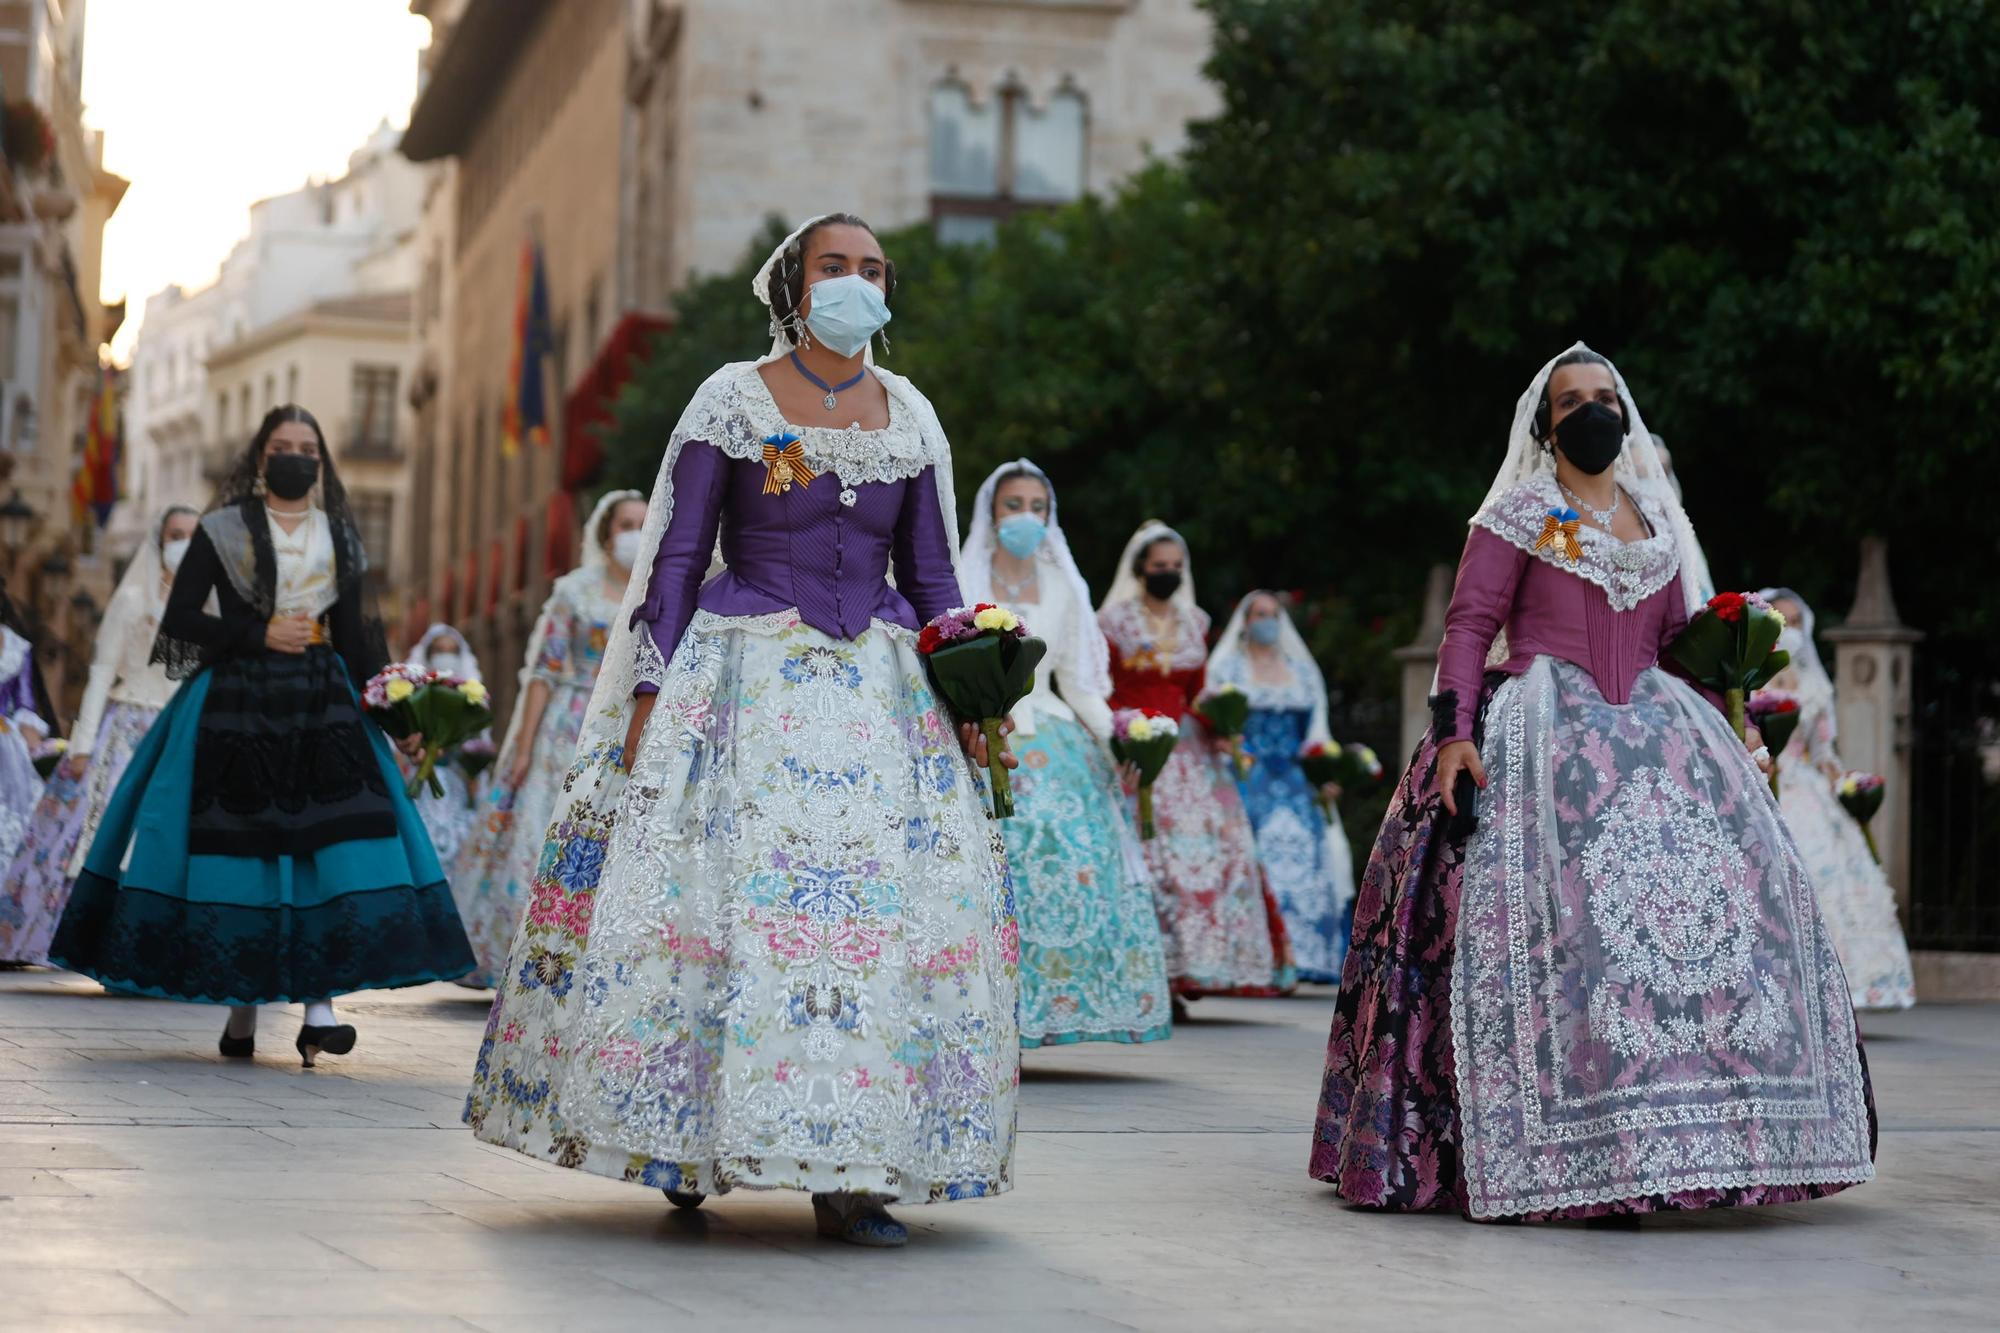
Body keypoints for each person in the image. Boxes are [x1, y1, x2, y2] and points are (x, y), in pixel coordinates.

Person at [464, 214, 1019, 1248]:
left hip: (878, 694)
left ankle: (852, 1166)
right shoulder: (729, 398)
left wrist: (975, 696)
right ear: (792, 286)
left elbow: (935, 575)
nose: (856, 282)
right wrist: (644, 693)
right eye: (834, 267)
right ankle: (687, 1137)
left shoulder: (911, 413)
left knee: (866, 925)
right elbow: (675, 560)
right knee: (717, 909)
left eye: (872, 269)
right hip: (739, 677)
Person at [1309, 344, 1875, 1221]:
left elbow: (1683, 640)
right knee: (1567, 930)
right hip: (1540, 726)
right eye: (1573, 401)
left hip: (1661, 728)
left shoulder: (1656, 519)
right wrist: (1456, 735)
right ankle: (1572, 1142)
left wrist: (1737, 721)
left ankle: (1702, 1141)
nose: (1593, 412)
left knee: (1724, 912)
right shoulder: (1517, 513)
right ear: (1546, 425)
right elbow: (1468, 627)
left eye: (1606, 397)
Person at [49, 406, 475, 1065]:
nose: (296, 456)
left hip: (321, 705)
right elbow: (181, 623)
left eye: (308, 446)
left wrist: (404, 721)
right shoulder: (220, 531)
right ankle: (243, 1015)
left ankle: (319, 1010)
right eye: (283, 445)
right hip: (236, 704)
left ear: (321, 458)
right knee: (246, 852)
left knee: (326, 846)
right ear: (260, 456)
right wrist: (256, 632)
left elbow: (363, 641)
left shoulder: (341, 536)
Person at [961, 459, 1170, 1048]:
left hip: (1053, 730)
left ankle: (1058, 1008)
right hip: (980, 737)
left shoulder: (1064, 587)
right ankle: (986, 1011)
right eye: (1013, 505)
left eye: (1037, 507)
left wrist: (1121, 740)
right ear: (992, 513)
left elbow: (1079, 682)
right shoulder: (963, 574)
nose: (1025, 517)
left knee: (1074, 850)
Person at [447, 490, 645, 985]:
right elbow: (544, 670)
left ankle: (586, 956)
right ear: (605, 533)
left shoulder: (656, 589)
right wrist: (524, 745)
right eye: (625, 524)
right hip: (568, 724)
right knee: (543, 833)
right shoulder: (574, 592)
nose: (634, 534)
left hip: (628, 720)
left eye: (643, 523)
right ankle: (526, 955)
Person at [1099, 523, 1294, 1001]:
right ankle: (1154, 969)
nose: (1166, 572)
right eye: (1158, 565)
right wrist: (1117, 734)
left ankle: (1197, 963)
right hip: (1136, 742)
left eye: (1175, 567)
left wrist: (1224, 727)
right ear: (1140, 567)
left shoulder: (1196, 622)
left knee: (1216, 849)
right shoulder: (1112, 621)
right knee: (1149, 853)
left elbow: (1197, 689)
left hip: (1190, 748)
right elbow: (1099, 685)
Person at [0, 506, 197, 965]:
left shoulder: (208, 608)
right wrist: (84, 745)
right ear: (158, 540)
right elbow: (102, 672)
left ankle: (156, 950)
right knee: (99, 836)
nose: (183, 543)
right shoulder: (132, 601)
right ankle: (91, 943)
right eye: (175, 534)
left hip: (182, 732)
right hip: (127, 729)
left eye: (192, 535)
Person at [1758, 587, 1917, 1010]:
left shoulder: (1814, 685)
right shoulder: (1748, 675)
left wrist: (1849, 785)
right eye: (1779, 619)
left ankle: (1843, 986)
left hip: (1805, 789)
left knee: (1831, 876)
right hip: (1761, 779)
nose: (1788, 629)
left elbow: (1824, 751)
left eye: (1794, 622)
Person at [1208, 590, 1355, 984]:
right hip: (1247, 776)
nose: (1266, 621)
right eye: (1259, 614)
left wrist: (1324, 771)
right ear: (1245, 620)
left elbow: (1317, 729)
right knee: (1253, 856)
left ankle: (1306, 954)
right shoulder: (1228, 668)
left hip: (1294, 780)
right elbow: (1218, 726)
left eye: (1273, 614)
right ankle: (1258, 958)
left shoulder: (1301, 671)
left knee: (1307, 857)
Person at [401, 623, 486, 874]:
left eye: (451, 650)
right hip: (420, 786)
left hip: (457, 784)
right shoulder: (413, 695)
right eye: (439, 649)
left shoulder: (471, 697)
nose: (445, 655)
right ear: (428, 654)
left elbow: (479, 744)